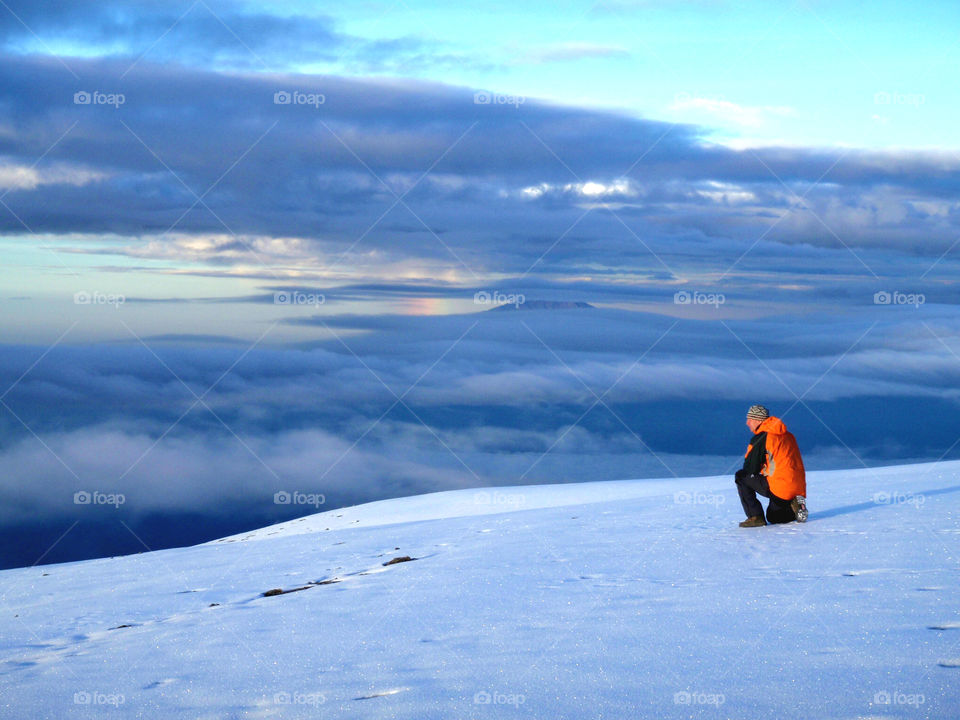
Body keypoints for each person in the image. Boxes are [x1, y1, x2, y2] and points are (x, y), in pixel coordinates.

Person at [735, 405, 807, 527]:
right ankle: (796, 505)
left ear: (758, 420)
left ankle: (755, 517)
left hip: (780, 486)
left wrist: (761, 468)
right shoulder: (788, 436)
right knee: (774, 517)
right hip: (797, 487)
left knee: (741, 476)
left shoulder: (762, 437)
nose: (747, 423)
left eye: (750, 419)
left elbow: (750, 468)